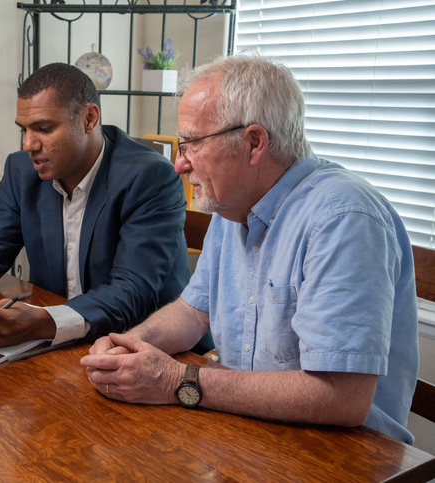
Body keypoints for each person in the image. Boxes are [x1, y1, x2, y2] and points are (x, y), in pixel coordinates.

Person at [80, 55, 419, 444]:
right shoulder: (233, 204)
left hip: (344, 454)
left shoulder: (343, 217)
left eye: (191, 143)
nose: (179, 164)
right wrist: (129, 347)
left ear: (254, 143)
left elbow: (341, 398)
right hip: (252, 434)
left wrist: (175, 380)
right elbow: (193, 312)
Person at [0, 62, 190, 348]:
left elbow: (133, 291)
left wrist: (45, 322)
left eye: (43, 128)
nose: (29, 144)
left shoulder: (148, 176)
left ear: (89, 119)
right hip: (61, 345)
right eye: (24, 130)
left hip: (143, 345)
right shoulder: (21, 171)